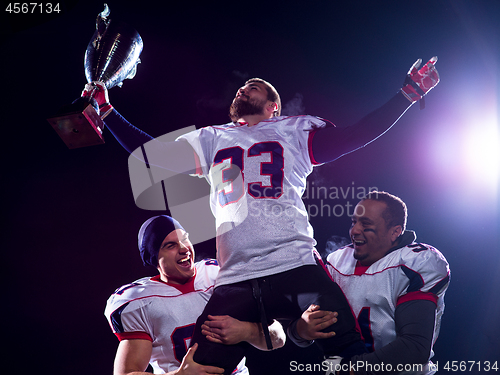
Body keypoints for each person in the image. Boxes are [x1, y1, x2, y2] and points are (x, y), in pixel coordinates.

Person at [89, 57, 440, 374]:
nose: (245, 87)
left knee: (350, 357)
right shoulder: (213, 139)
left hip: (295, 265)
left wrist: (407, 94)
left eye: (255, 87)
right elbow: (155, 156)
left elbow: (357, 135)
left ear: (274, 108)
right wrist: (106, 111)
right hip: (236, 277)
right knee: (199, 367)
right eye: (243, 85)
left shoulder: (295, 132)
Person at [104, 215, 286, 375]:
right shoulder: (140, 302)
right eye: (170, 245)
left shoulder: (220, 275)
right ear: (154, 258)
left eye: (185, 239)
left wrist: (247, 331)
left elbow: (279, 338)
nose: (184, 249)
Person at [292, 191, 450, 374]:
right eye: (354, 222)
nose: (355, 230)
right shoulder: (337, 262)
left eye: (366, 224)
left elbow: (414, 347)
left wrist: (353, 369)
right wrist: (300, 331)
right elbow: (303, 325)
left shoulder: (414, 264)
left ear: (395, 232)